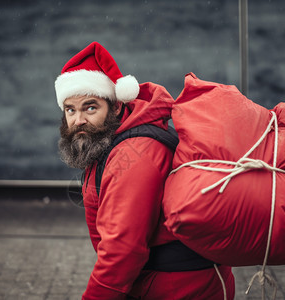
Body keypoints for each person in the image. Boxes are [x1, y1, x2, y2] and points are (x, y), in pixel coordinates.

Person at [55, 41, 235, 299]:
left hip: (182, 289)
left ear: (116, 106)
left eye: (90, 107)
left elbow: (123, 250)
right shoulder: (109, 141)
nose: (78, 120)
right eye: (70, 110)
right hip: (159, 283)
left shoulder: (134, 153)